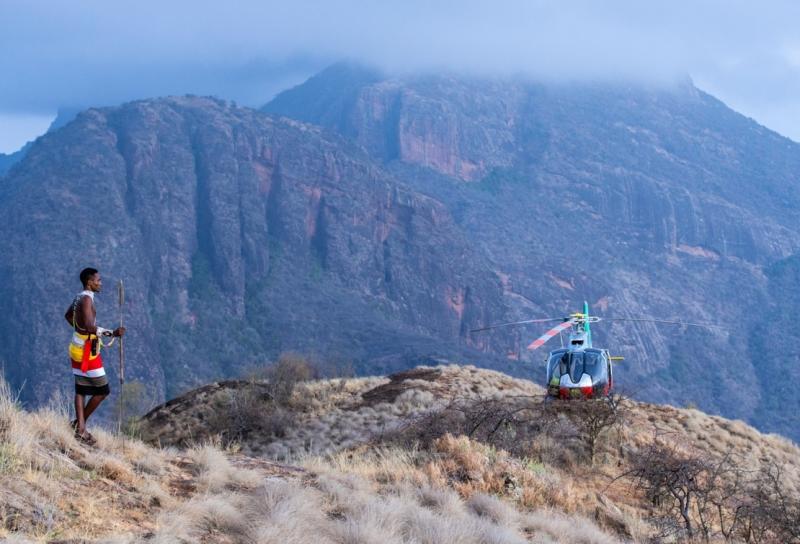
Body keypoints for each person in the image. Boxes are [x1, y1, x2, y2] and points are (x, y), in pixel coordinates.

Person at [63, 267, 125, 444]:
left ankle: (79, 428)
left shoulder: (79, 297)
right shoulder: (86, 300)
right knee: (102, 390)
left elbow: (68, 316)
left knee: (81, 388)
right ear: (89, 282)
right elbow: (90, 326)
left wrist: (79, 331)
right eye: (98, 280)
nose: (100, 283)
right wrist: (112, 333)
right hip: (86, 352)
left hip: (76, 346)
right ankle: (79, 426)